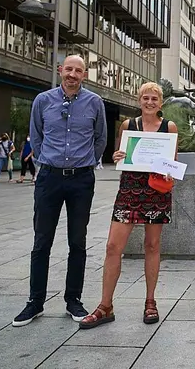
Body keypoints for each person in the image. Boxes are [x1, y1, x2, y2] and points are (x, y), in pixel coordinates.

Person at [13, 55, 108, 327]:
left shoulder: (95, 103)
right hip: (49, 179)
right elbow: (37, 135)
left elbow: (100, 139)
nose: (73, 74)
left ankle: (73, 300)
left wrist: (85, 161)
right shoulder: (43, 101)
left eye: (78, 71)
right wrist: (47, 161)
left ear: (84, 75)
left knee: (77, 241)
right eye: (69, 69)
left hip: (81, 180)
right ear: (60, 71)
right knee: (42, 240)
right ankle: (35, 302)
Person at [79, 82, 177, 329]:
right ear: (139, 100)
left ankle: (150, 301)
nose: (150, 102)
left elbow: (172, 163)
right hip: (129, 191)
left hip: (155, 192)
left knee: (152, 246)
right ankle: (105, 305)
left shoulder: (169, 127)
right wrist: (117, 157)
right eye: (146, 98)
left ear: (161, 103)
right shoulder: (128, 126)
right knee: (113, 246)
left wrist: (169, 172)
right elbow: (120, 155)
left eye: (155, 98)